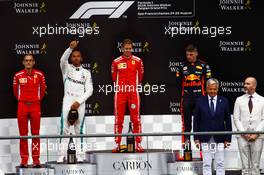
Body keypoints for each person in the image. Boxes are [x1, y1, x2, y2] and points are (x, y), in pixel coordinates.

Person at [57, 41, 93, 162]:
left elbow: (90, 90)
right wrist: (70, 49)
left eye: (78, 56)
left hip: (80, 102)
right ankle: (61, 155)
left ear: (81, 58)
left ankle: (80, 155)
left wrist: (78, 101)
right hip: (67, 99)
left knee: (79, 129)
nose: (76, 58)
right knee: (64, 129)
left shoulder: (86, 73)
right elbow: (62, 60)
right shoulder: (66, 69)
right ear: (71, 58)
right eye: (74, 56)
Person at [176, 44, 212, 158]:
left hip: (200, 99)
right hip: (186, 98)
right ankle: (185, 152)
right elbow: (178, 84)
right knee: (186, 125)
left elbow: (209, 84)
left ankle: (203, 154)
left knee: (201, 124)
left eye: (191, 54)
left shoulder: (204, 66)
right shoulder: (182, 66)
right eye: (187, 54)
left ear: (196, 53)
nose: (189, 57)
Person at [13, 54, 47, 168]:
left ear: (34, 62)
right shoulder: (17, 75)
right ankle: (24, 160)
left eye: (30, 60)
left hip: (35, 106)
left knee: (35, 134)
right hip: (22, 106)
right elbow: (15, 91)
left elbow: (42, 90)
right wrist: (22, 100)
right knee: (23, 135)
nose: (28, 62)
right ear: (23, 62)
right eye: (26, 61)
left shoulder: (40, 74)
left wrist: (36, 100)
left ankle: (36, 160)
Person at [111, 38, 144, 153]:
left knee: (136, 119)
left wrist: (132, 87)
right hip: (120, 92)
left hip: (133, 92)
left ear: (132, 49)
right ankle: (117, 144)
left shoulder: (138, 61)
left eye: (130, 48)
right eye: (126, 48)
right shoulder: (116, 62)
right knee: (118, 119)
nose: (128, 50)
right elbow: (114, 77)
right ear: (122, 49)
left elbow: (140, 76)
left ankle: (138, 144)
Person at [194, 78, 232, 175]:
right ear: (206, 89)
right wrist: (196, 138)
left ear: (217, 89)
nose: (212, 91)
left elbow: (228, 120)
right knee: (206, 163)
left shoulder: (224, 101)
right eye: (210, 89)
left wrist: (228, 138)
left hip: (220, 137)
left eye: (214, 89)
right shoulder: (199, 101)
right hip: (204, 137)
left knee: (220, 162)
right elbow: (196, 121)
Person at [233, 77, 264, 175]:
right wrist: (244, 133)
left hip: (258, 137)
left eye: (248, 84)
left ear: (254, 86)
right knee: (245, 166)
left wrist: (256, 134)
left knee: (256, 165)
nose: (245, 85)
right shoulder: (239, 100)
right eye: (245, 83)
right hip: (242, 137)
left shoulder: (262, 100)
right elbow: (236, 118)